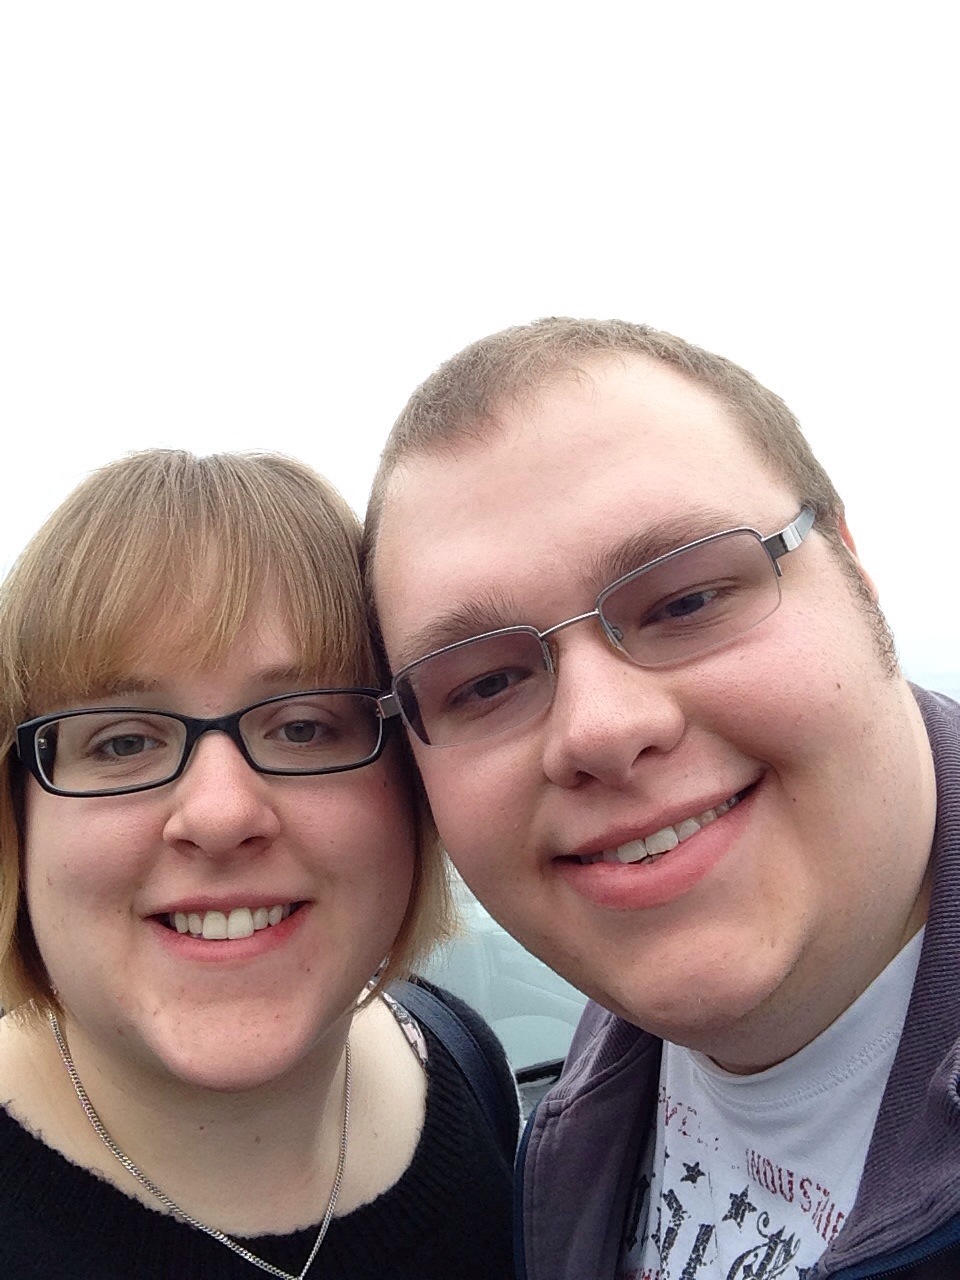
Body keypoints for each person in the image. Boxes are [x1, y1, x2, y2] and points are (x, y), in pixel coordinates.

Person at [364, 318, 960, 1279]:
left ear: (854, 570)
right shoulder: (570, 1127)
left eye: (687, 601)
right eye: (485, 683)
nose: (599, 728)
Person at [0, 450, 519, 1280]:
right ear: (19, 814)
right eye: (123, 742)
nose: (220, 815)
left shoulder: (470, 1064)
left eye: (304, 728)